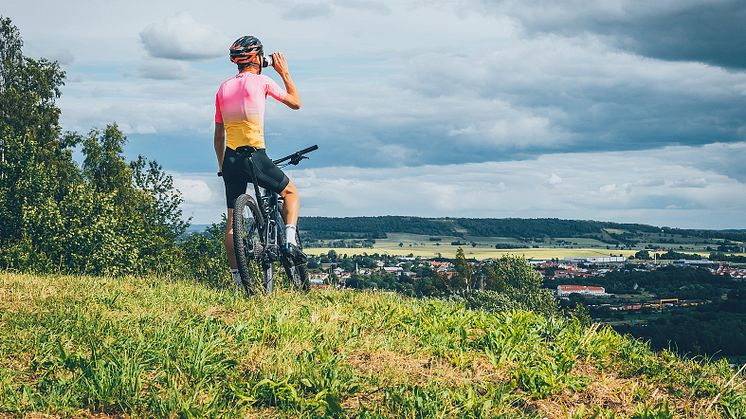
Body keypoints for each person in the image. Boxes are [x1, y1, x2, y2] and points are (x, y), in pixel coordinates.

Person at [214, 35, 304, 288]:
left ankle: (237, 281)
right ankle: (289, 240)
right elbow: (296, 103)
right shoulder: (263, 80)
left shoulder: (223, 88)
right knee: (290, 192)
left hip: (231, 158)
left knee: (232, 224)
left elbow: (218, 134)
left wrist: (222, 165)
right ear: (256, 58)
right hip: (255, 155)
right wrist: (284, 73)